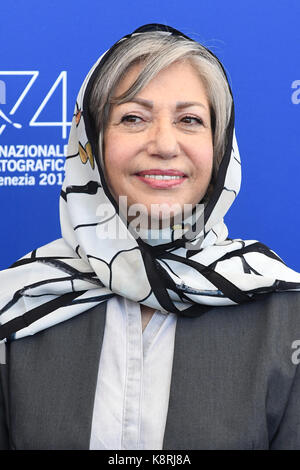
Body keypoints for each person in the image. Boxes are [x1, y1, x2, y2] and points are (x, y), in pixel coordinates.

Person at [1, 23, 300, 450]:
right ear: (93, 144)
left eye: (190, 120)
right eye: (133, 118)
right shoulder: (15, 306)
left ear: (220, 148)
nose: (163, 143)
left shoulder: (286, 314)